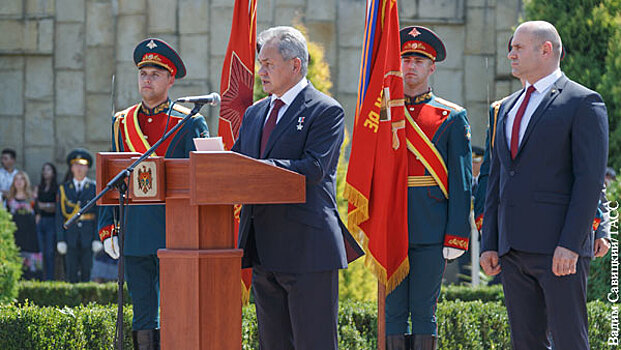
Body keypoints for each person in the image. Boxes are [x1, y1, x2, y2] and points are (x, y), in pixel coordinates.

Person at [231, 26, 363, 350]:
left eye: (268, 64)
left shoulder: (325, 110)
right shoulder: (255, 113)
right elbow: (234, 165)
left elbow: (314, 169)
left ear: (294, 65)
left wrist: (260, 170)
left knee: (313, 343)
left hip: (308, 250)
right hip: (263, 250)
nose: (260, 71)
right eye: (260, 63)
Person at [480, 21, 608, 350]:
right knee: (525, 342)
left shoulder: (583, 102)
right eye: (511, 47)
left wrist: (571, 242)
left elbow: (589, 181)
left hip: (558, 250)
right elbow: (496, 179)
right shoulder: (506, 108)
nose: (510, 54)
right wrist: (490, 242)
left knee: (569, 341)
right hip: (513, 251)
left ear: (546, 49)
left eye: (518, 48)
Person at [97, 37, 209, 350]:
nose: (147, 79)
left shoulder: (189, 122)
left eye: (156, 73)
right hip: (136, 231)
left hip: (176, 232)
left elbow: (201, 180)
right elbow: (112, 176)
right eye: (143, 72)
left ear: (171, 79)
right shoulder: (122, 123)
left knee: (177, 309)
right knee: (143, 312)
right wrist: (108, 228)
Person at [383, 26, 472, 350]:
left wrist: (456, 234)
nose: (411, 66)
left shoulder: (451, 116)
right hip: (390, 228)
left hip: (432, 230)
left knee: (423, 312)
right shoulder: (382, 115)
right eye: (406, 58)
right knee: (391, 313)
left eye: (419, 60)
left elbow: (462, 184)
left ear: (432, 67)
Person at [56, 149, 100, 283]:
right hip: (71, 234)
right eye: (76, 165)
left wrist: (97, 238)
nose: (79, 168)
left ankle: (87, 302)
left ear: (87, 168)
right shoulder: (64, 188)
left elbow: (98, 214)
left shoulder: (94, 187)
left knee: (87, 271)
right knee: (71, 271)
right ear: (71, 168)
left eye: (82, 165)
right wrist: (60, 239)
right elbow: (59, 216)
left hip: (88, 233)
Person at [6, 171, 42, 279]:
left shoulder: (32, 198)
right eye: (16, 179)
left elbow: (38, 214)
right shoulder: (9, 200)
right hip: (15, 236)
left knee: (31, 268)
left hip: (30, 236)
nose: (19, 182)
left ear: (26, 182)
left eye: (22, 179)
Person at [34, 162, 58, 280]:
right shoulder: (39, 187)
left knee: (49, 252)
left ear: (53, 173)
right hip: (40, 220)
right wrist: (44, 206)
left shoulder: (57, 188)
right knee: (40, 251)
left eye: (48, 170)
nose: (45, 172)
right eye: (44, 170)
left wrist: (45, 205)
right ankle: (39, 278)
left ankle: (49, 278)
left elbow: (56, 206)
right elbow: (36, 205)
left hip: (51, 221)